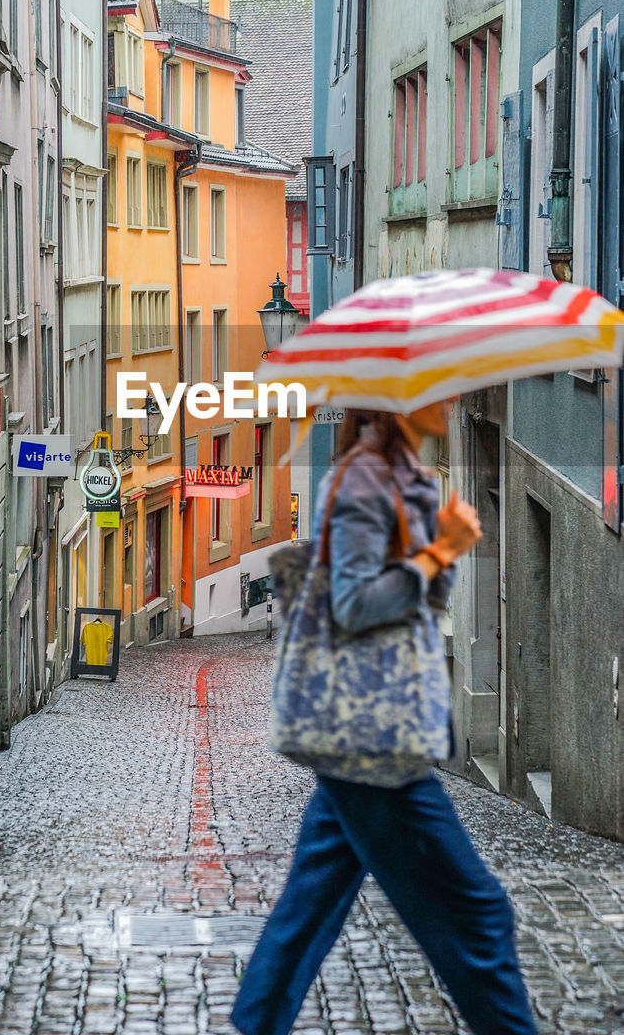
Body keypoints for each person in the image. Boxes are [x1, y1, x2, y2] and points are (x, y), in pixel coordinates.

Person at [230, 402, 538, 1035]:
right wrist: (436, 554)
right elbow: (355, 604)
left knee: (309, 905)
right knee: (478, 914)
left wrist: (436, 551)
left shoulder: (402, 478)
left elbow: (417, 600)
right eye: (437, 390)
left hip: (365, 730)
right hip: (373, 736)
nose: (449, 401)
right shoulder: (364, 482)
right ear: (397, 403)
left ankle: (255, 1023)